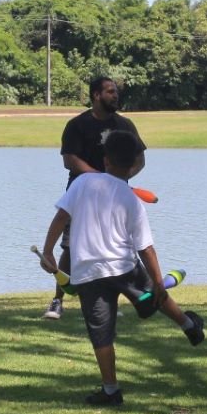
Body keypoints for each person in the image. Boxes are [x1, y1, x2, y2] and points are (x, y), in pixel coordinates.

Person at [40, 130, 204, 405]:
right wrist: (157, 282)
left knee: (101, 333)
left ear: (105, 160)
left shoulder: (81, 183)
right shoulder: (131, 200)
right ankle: (189, 325)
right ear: (133, 166)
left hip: (89, 273)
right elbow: (146, 249)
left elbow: (61, 217)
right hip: (125, 267)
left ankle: (111, 390)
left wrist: (48, 251)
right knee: (156, 296)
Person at [43, 76, 146, 320]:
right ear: (96, 95)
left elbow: (139, 160)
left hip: (116, 199)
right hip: (81, 194)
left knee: (114, 247)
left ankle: (110, 302)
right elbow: (70, 159)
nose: (115, 95)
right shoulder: (77, 125)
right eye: (110, 91)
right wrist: (100, 178)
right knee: (70, 246)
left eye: (115, 91)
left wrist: (120, 178)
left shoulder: (125, 125)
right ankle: (58, 300)